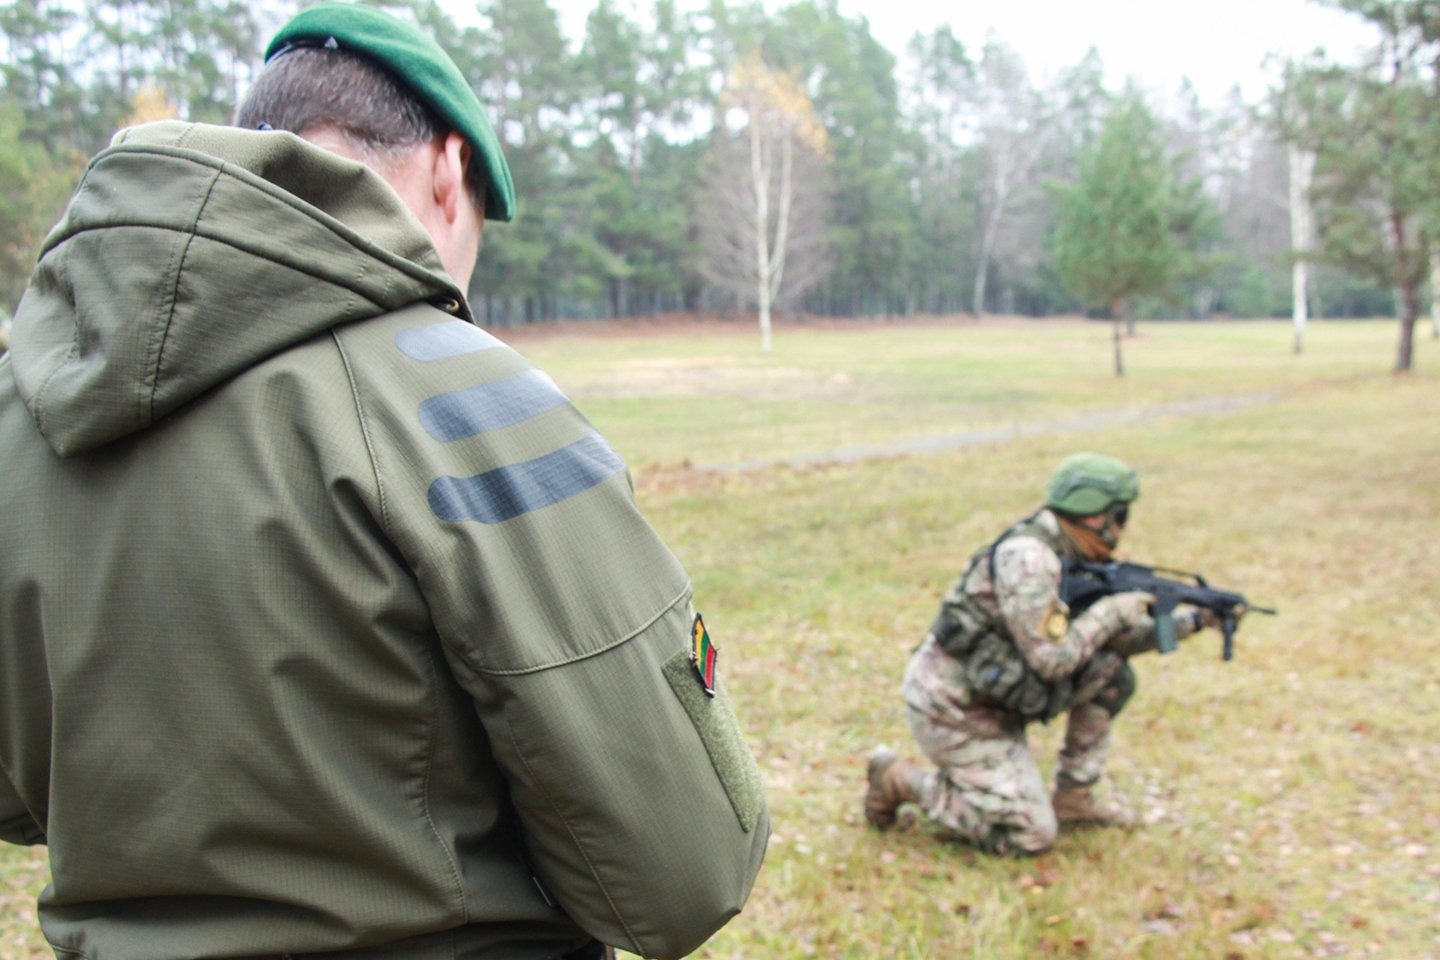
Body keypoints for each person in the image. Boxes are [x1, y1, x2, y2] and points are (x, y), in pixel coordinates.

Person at [0, 5, 767, 959]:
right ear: (449, 170)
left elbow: (18, 795)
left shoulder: (24, 407)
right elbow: (686, 867)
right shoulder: (466, 396)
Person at [864, 452, 1225, 856]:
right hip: (956, 712)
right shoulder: (1030, 558)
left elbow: (1107, 644)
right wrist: (1113, 611)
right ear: (1092, 515)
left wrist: (1194, 621)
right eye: (1119, 515)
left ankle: (1075, 798)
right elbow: (1051, 662)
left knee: (1111, 673)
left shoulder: (1071, 553)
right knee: (1030, 834)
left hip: (1001, 697)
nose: (1122, 528)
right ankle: (901, 780)